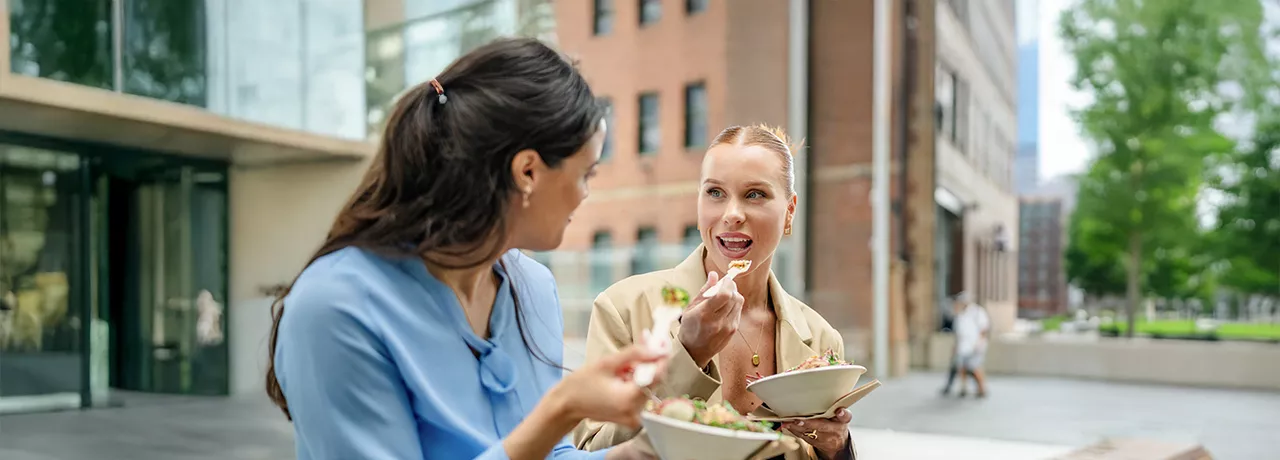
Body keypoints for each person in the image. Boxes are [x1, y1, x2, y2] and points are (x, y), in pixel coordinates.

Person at [266, 38, 666, 460]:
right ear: (527, 170)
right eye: (586, 173)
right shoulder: (336, 307)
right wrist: (561, 409)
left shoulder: (532, 287)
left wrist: (636, 455)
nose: (585, 194)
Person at [573, 125, 857, 460]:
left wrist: (836, 448)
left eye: (755, 194)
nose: (732, 214)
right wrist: (688, 356)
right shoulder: (624, 309)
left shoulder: (821, 340)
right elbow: (591, 450)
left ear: (790, 211)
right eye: (715, 193)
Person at [941, 292, 989, 398]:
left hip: (975, 345)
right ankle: (964, 388)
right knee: (961, 367)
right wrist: (956, 347)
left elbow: (984, 329)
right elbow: (958, 333)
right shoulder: (960, 315)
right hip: (963, 346)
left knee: (974, 367)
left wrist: (979, 344)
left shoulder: (977, 312)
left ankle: (982, 389)